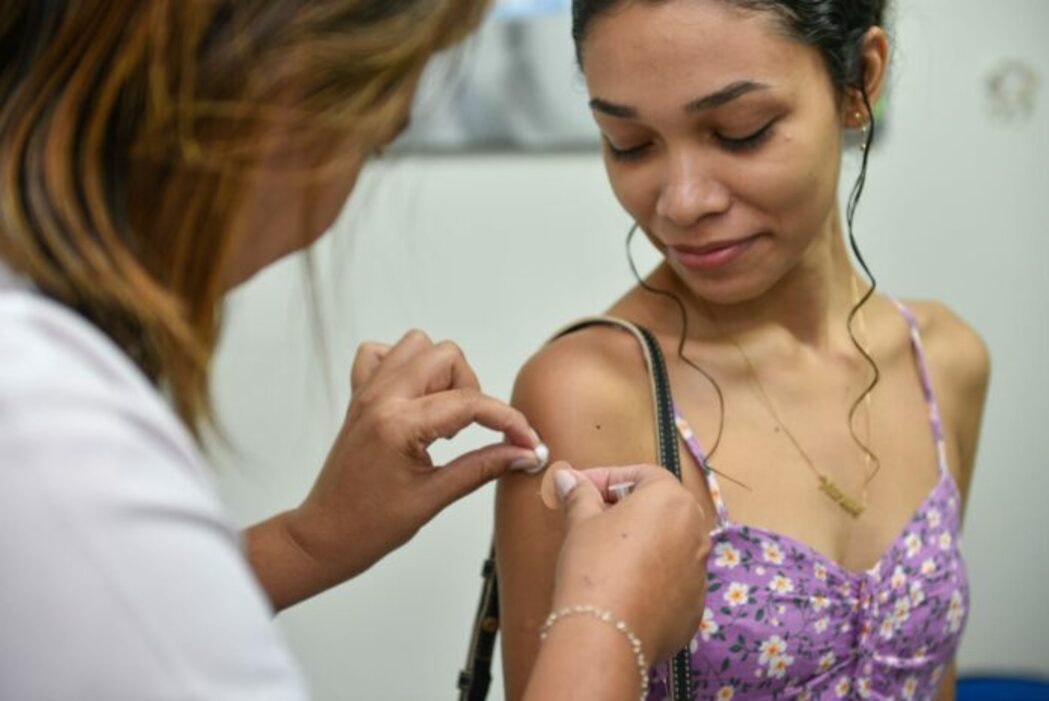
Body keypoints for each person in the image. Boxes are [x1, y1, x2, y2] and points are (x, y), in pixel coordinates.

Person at [0, 2, 709, 699]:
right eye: (370, 140)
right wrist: (603, 625)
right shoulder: (44, 426)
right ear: (272, 94)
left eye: (743, 131)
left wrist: (308, 542)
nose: (682, 201)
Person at [497, 1, 990, 699]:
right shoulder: (589, 394)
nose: (681, 202)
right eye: (628, 142)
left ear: (859, 82)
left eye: (740, 132)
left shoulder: (943, 360)